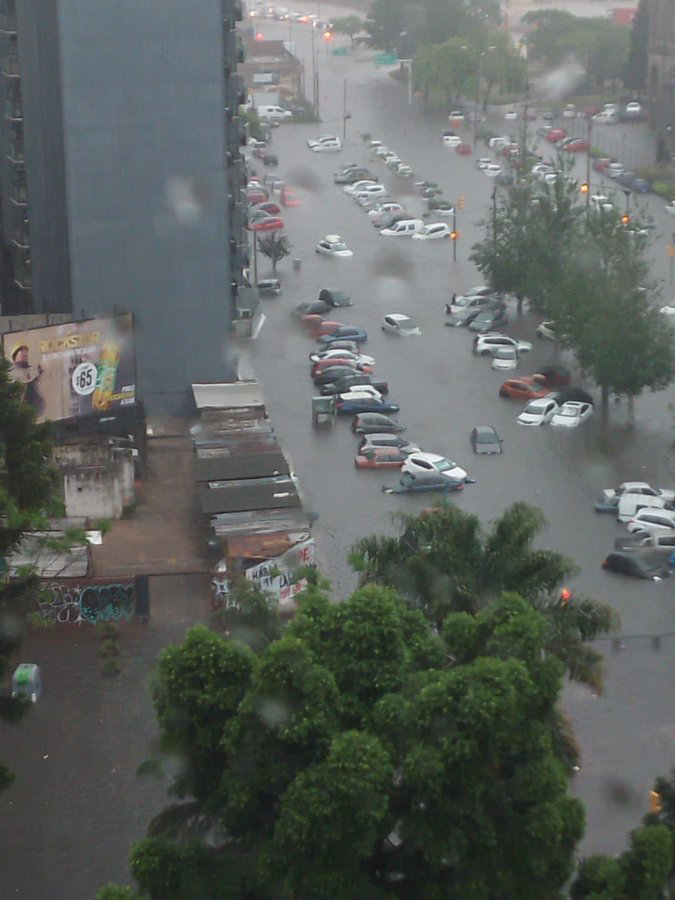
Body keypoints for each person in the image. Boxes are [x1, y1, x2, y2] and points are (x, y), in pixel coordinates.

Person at [10, 344, 45, 415]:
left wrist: (39, 373)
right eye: (22, 353)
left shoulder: (30, 369)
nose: (25, 355)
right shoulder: (12, 371)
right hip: (20, 409)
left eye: (26, 354)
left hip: (34, 407)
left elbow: (34, 383)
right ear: (15, 356)